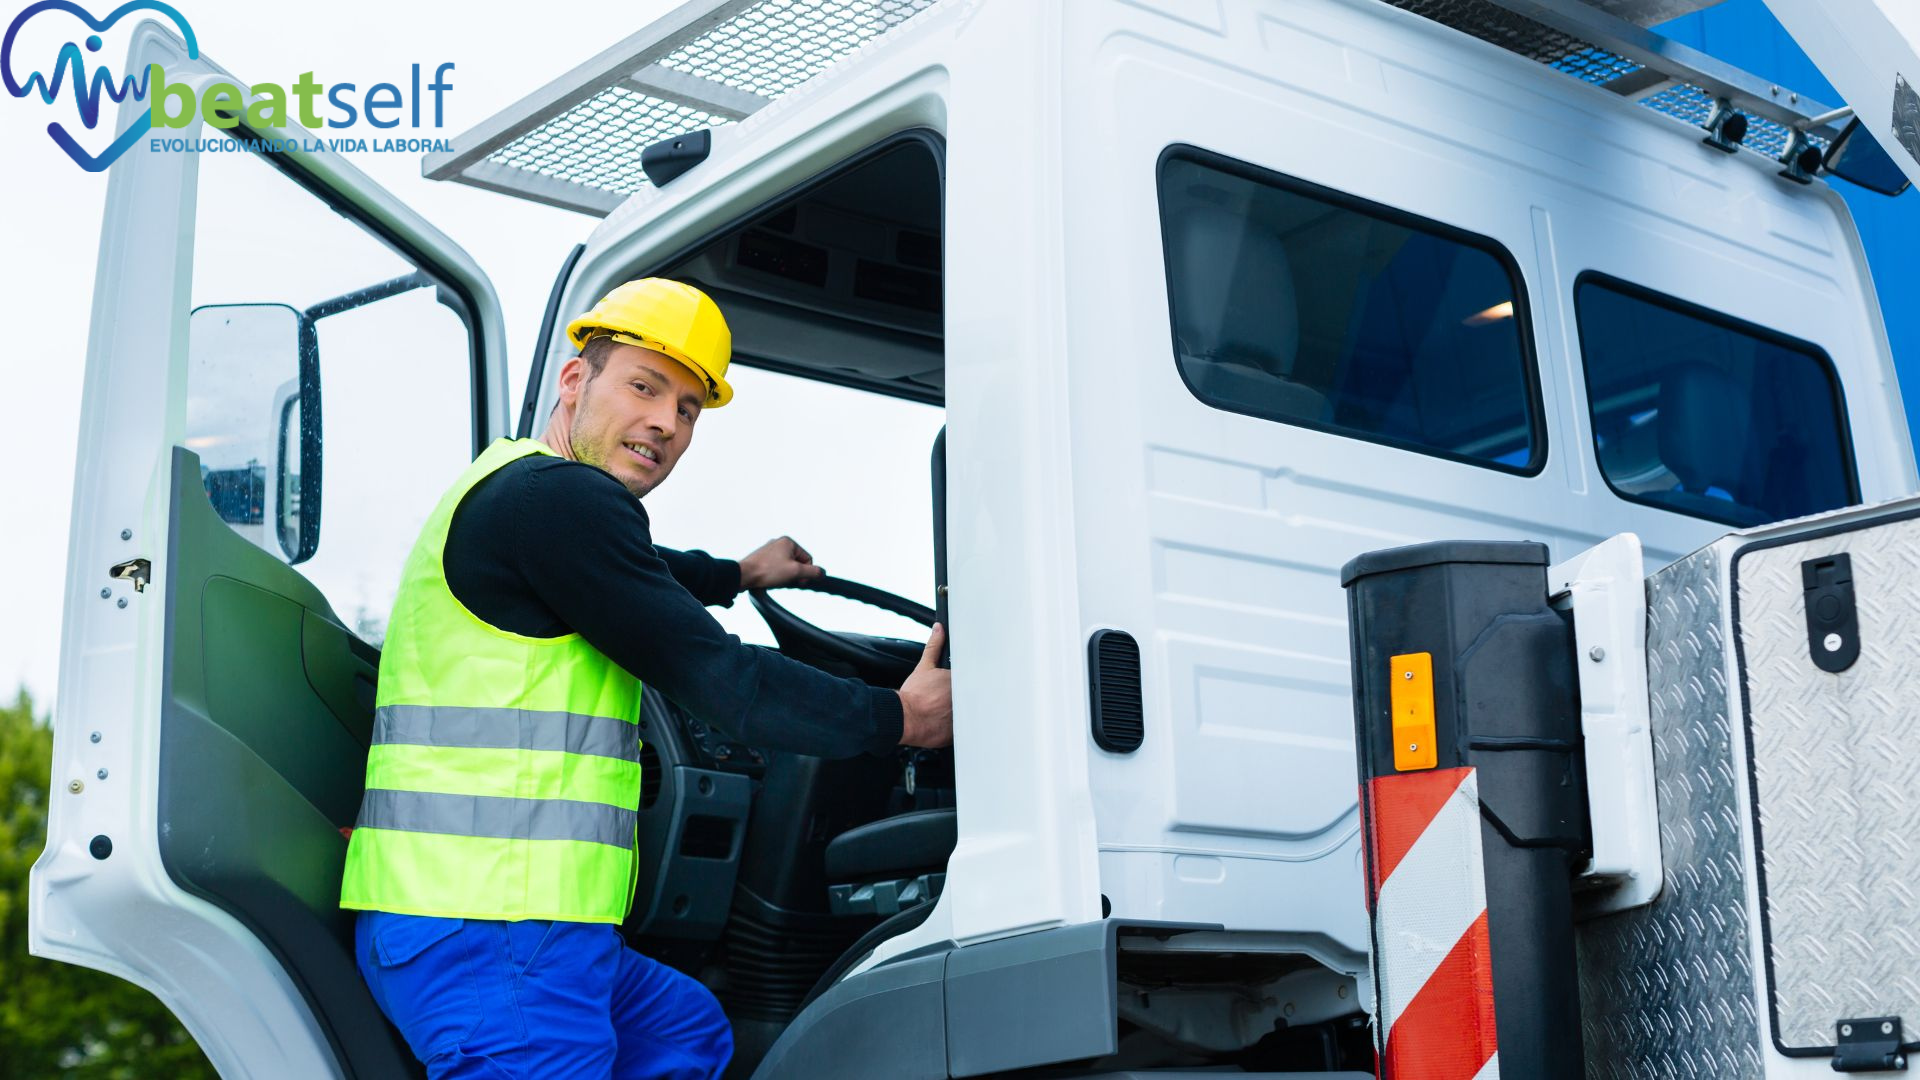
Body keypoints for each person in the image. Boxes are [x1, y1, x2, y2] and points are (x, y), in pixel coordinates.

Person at [338, 277, 953, 1079]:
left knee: (684, 1032)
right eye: (644, 386)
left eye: (689, 409)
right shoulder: (563, 502)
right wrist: (898, 718)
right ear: (574, 381)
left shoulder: (513, 486)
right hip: (488, 929)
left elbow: (634, 574)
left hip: (490, 921)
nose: (665, 421)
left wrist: (739, 573)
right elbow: (721, 678)